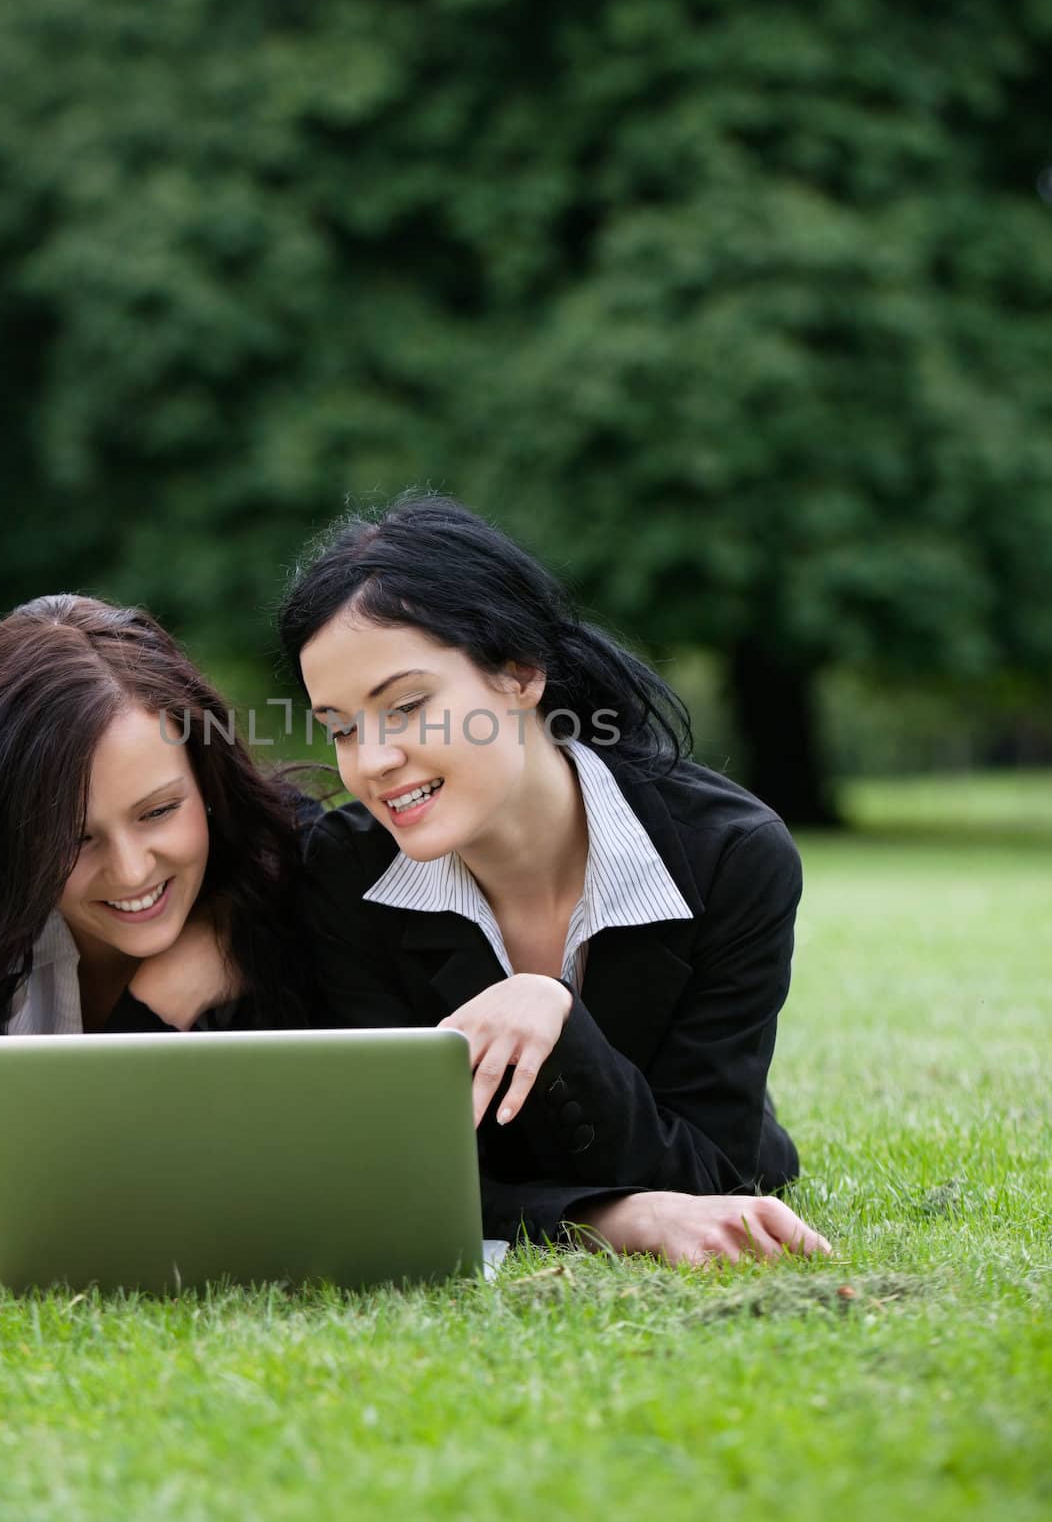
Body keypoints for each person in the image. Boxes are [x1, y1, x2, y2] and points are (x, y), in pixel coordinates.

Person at [282, 495, 831, 1269]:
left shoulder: (731, 859)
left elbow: (710, 1176)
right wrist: (616, 1222)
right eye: (340, 727)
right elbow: (391, 1174)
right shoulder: (344, 874)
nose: (370, 762)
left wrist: (554, 1013)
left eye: (406, 707)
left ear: (520, 671)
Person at [0, 594, 313, 1274]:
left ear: (207, 777)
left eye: (159, 810)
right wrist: (161, 999)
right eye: (73, 837)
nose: (132, 870)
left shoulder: (284, 852)